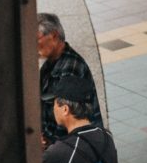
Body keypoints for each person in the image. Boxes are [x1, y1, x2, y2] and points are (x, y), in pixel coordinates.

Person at [38, 12, 101, 142]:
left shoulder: (71, 67)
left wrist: (49, 143)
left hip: (74, 145)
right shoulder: (49, 64)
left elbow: (68, 117)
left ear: (54, 36)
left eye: (36, 40)